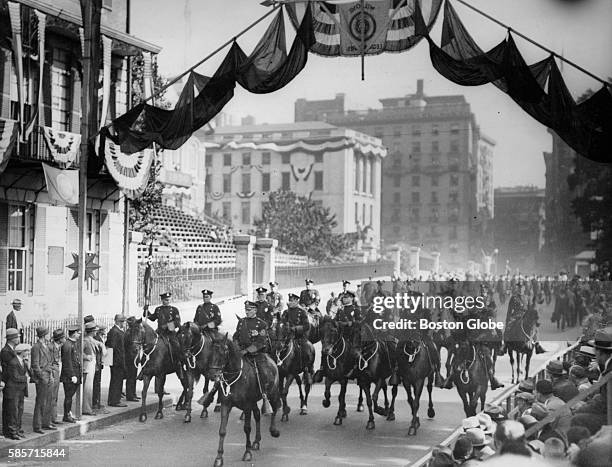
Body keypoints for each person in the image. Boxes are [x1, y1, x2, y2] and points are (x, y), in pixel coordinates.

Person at [505, 280, 546, 354]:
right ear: (517, 288)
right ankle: (505, 345)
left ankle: (537, 344)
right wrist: (507, 321)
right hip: (516, 316)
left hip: (526, 315)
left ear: (524, 288)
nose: (520, 289)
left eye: (522, 288)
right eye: (519, 288)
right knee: (508, 327)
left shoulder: (527, 297)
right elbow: (509, 311)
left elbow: (530, 308)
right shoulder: (513, 298)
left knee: (535, 327)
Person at [281, 293, 313, 383]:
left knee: (306, 349)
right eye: (289, 300)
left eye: (291, 301)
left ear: (296, 301)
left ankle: (307, 368)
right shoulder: (286, 312)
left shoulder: (302, 312)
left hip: (299, 337)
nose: (290, 302)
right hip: (288, 337)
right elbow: (282, 322)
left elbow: (307, 326)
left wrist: (295, 328)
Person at [145, 292, 181, 368]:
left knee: (177, 346)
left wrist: (167, 326)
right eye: (165, 300)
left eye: (168, 300)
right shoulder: (158, 309)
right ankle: (145, 366)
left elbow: (177, 322)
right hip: (160, 332)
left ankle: (178, 365)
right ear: (162, 300)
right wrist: (146, 312)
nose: (167, 301)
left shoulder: (174, 310)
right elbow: (152, 318)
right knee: (148, 344)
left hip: (170, 333)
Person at [30, 326, 55, 433]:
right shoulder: (36, 347)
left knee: (49, 400)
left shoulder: (47, 346)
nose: (50, 335)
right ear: (44, 335)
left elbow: (50, 361)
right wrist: (41, 376)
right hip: (42, 377)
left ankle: (46, 422)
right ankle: (37, 425)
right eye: (48, 333)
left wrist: (51, 375)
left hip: (49, 375)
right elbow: (35, 365)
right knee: (40, 401)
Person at [2, 328, 23, 439]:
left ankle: (14, 429)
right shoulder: (6, 351)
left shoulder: (12, 349)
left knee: (15, 408)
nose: (19, 338)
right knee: (11, 408)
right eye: (17, 337)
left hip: (16, 384)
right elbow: (8, 370)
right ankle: (11, 431)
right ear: (12, 339)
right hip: (11, 384)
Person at [60, 325, 81, 422]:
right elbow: (67, 362)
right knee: (68, 396)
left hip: (74, 374)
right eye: (78, 333)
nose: (79, 334)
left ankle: (68, 414)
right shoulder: (67, 345)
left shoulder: (72, 343)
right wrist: (72, 375)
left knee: (70, 396)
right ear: (74, 333)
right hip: (69, 376)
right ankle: (66, 415)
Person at [106, 314, 127, 408]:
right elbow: (113, 347)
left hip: (117, 360)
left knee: (117, 380)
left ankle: (114, 399)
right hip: (117, 361)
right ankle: (115, 400)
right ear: (119, 322)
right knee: (116, 381)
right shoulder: (115, 332)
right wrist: (118, 360)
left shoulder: (116, 331)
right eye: (123, 322)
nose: (124, 323)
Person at [82, 321, 99, 415]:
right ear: (92, 331)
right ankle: (86, 409)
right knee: (87, 389)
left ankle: (87, 407)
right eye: (95, 331)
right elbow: (79, 352)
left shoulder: (91, 339)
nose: (96, 332)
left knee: (89, 388)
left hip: (91, 366)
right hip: (87, 367)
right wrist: (86, 357)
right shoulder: (85, 340)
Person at [49, 329, 65, 425]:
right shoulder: (51, 347)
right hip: (53, 372)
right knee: (52, 396)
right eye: (63, 337)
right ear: (60, 339)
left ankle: (53, 417)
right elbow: (49, 362)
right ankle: (51, 418)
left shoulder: (57, 346)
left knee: (55, 396)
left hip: (56, 371)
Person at [123, 318, 140, 403]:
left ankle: (133, 393)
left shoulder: (132, 332)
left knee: (133, 376)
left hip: (134, 357)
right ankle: (130, 395)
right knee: (131, 376)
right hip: (130, 357)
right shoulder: (129, 333)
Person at [93, 325, 108, 410]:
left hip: (99, 363)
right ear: (100, 331)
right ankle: (95, 402)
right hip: (97, 363)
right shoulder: (97, 338)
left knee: (98, 383)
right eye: (104, 330)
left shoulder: (100, 338)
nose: (105, 331)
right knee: (96, 383)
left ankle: (97, 402)